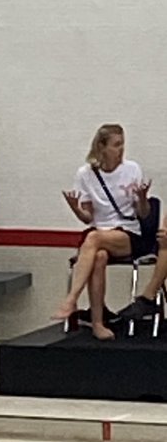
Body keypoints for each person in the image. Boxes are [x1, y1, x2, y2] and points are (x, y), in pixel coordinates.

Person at [54, 123, 152, 339]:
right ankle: (98, 322)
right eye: (116, 145)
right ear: (102, 147)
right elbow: (88, 217)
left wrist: (143, 199)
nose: (121, 149)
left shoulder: (132, 169)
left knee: (94, 238)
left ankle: (71, 298)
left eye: (122, 144)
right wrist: (75, 208)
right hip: (99, 233)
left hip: (128, 232)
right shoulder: (85, 174)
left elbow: (143, 214)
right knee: (98, 256)